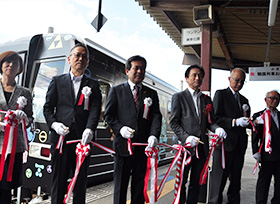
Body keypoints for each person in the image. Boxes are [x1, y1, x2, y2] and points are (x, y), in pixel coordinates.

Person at [43, 44, 102, 204]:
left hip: (82, 142)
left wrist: (90, 129)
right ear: (69, 59)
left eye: (84, 57)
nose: (80, 59)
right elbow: (48, 108)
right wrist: (55, 125)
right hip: (61, 141)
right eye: (77, 55)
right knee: (58, 183)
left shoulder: (94, 85)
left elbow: (95, 110)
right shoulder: (57, 81)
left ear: (88, 62)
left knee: (80, 183)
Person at [104, 55, 162, 204]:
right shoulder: (116, 91)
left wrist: (153, 135)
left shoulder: (151, 94)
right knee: (120, 186)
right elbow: (109, 116)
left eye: (142, 69)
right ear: (127, 70)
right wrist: (120, 129)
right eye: (136, 68)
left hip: (142, 147)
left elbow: (156, 117)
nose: (139, 71)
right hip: (122, 147)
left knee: (139, 186)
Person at [169, 64, 227, 204]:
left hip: (202, 148)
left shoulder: (206, 99)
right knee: (181, 182)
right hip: (185, 149)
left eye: (200, 76)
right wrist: (186, 138)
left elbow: (210, 122)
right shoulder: (179, 97)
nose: (197, 78)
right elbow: (174, 122)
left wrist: (217, 128)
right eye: (194, 75)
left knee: (196, 182)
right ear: (187, 78)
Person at [209, 68, 251, 204]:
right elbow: (215, 118)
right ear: (229, 79)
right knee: (219, 181)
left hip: (239, 146)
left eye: (242, 82)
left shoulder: (244, 99)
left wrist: (252, 122)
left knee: (236, 182)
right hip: (224, 146)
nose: (239, 84)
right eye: (237, 80)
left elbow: (246, 121)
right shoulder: (220, 94)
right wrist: (234, 122)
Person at [0, 51, 33, 203]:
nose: (11, 65)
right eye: (8, 62)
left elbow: (30, 118)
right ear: (1, 65)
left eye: (15, 63)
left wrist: (24, 118)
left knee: (7, 188)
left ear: (20, 68)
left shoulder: (25, 92)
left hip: (14, 147)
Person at [252, 90, 280, 204]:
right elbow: (255, 136)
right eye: (271, 98)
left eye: (276, 99)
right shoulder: (259, 116)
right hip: (266, 156)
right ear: (265, 100)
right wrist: (255, 152)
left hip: (279, 156)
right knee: (263, 184)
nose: (273, 100)